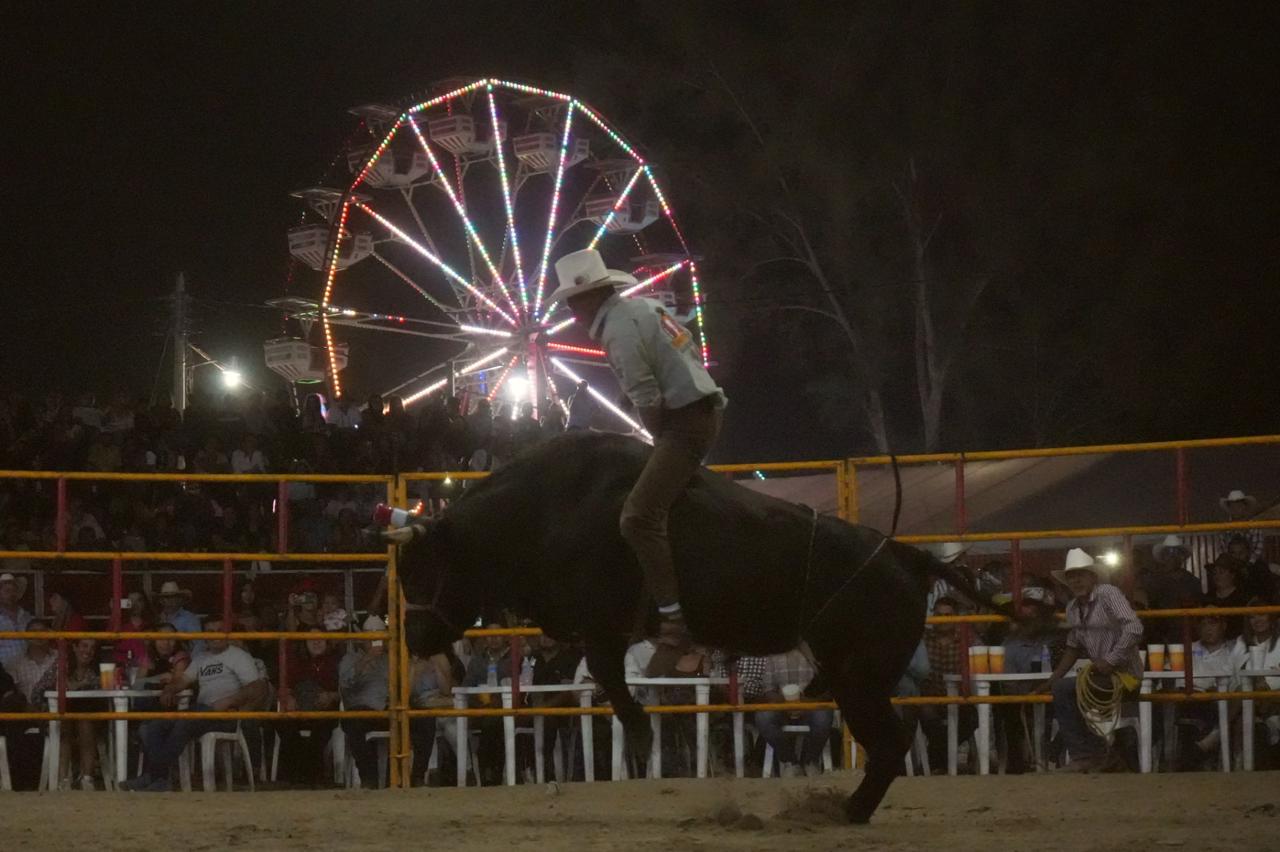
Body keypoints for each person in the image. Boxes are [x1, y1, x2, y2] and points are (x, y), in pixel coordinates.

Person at [548, 248, 726, 637]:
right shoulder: (644, 310)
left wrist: (655, 432)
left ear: (593, 296)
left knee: (637, 517)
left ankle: (673, 618)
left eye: (575, 302)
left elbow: (647, 397)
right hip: (703, 411)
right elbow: (687, 347)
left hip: (685, 424)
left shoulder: (617, 332)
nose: (573, 313)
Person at [123, 616, 268, 792]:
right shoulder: (200, 658)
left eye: (219, 631)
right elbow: (183, 680)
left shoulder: (239, 656)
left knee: (184, 723)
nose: (215, 635)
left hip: (227, 713)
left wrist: (230, 701)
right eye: (210, 631)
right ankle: (158, 778)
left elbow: (257, 687)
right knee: (154, 726)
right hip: (201, 712)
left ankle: (154, 776)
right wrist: (170, 689)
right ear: (204, 635)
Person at [1042, 548, 1143, 772]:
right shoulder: (1072, 608)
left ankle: (1088, 754)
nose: (1076, 580)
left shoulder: (1108, 593)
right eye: (1071, 576)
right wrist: (1053, 678)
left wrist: (1111, 659)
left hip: (1125, 676)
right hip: (1102, 676)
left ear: (1092, 577)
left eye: (1081, 574)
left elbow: (1134, 627)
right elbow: (1073, 646)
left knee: (1066, 691)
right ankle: (1098, 753)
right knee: (1063, 689)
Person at [998, 583, 1063, 773]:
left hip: (1056, 692)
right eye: (1027, 606)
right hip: (1022, 695)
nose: (1030, 612)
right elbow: (1007, 681)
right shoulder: (1011, 643)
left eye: (1037, 608)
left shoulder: (1059, 638)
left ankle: (1052, 756)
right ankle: (1017, 761)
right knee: (1008, 706)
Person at [740, 648, 833, 777]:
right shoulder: (773, 654)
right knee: (763, 717)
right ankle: (790, 762)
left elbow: (829, 690)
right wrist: (785, 703)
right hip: (782, 708)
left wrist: (805, 702)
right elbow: (768, 690)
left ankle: (810, 761)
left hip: (811, 706)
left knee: (824, 716)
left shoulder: (817, 652)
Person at [1175, 610, 1239, 771]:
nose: (1208, 629)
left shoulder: (1234, 651)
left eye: (1213, 623)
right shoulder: (1186, 649)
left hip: (1219, 702)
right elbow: (1172, 679)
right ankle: (1207, 744)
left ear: (1223, 626)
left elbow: (1237, 685)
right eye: (1203, 624)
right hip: (1188, 699)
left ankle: (1205, 746)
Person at [278, 627, 340, 786]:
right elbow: (285, 686)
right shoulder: (297, 661)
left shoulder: (336, 661)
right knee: (284, 724)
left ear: (327, 641)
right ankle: (294, 776)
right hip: (299, 705)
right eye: (311, 639)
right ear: (304, 642)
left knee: (321, 728)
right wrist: (289, 697)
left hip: (326, 707)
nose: (316, 642)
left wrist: (331, 696)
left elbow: (347, 689)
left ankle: (314, 776)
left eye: (320, 638)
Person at [920, 596, 975, 770]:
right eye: (939, 615)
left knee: (972, 717)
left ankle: (937, 759)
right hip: (929, 695)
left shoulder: (968, 638)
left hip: (961, 696)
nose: (943, 620)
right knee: (926, 714)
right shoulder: (922, 639)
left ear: (956, 616)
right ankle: (941, 760)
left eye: (948, 615)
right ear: (933, 616)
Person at [338, 615, 389, 788]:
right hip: (360, 709)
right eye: (372, 637)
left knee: (421, 719)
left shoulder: (390, 660)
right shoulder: (350, 658)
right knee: (354, 722)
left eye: (380, 637)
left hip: (387, 710)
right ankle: (370, 780)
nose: (377, 641)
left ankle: (410, 777)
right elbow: (345, 684)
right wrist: (366, 659)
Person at [1141, 535, 1204, 643]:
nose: (1172, 556)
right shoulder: (1153, 582)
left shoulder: (1193, 581)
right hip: (1161, 637)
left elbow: (1199, 610)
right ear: (1163, 557)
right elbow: (1149, 610)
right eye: (1168, 553)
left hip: (1190, 636)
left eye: (1176, 552)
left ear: (1182, 557)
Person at [1206, 553, 1250, 638]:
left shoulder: (1243, 597)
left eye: (1221, 572)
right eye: (1215, 573)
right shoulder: (1208, 597)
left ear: (1232, 575)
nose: (1217, 576)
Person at [1218, 489, 1266, 563]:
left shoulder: (1254, 526)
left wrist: (1248, 564)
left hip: (1253, 564)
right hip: (1230, 565)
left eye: (1239, 506)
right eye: (1232, 506)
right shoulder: (1224, 528)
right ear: (1229, 509)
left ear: (1245, 507)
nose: (1236, 509)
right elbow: (1222, 550)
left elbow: (1258, 551)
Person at [155, 581, 203, 653]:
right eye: (166, 597)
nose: (169, 600)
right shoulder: (157, 619)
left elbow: (198, 645)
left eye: (173, 597)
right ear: (161, 600)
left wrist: (193, 663)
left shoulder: (190, 619)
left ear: (179, 599)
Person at [0, 572, 32, 665]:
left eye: (14, 591)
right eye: (7, 591)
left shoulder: (26, 616)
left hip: (27, 671)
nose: (11, 594)